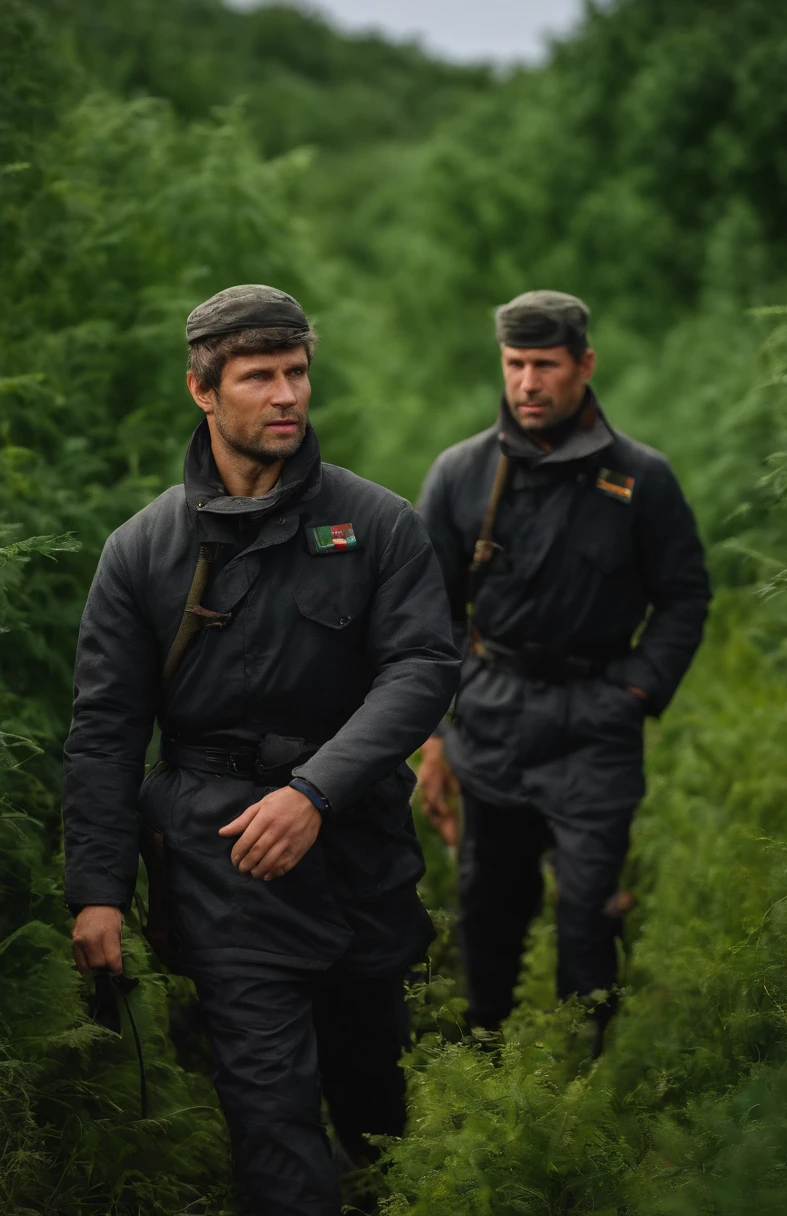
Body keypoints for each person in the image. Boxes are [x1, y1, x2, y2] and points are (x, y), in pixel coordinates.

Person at [63, 284, 460, 1216]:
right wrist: (97, 891)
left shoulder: (377, 524)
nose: (286, 395)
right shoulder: (142, 550)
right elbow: (107, 729)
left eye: (296, 373)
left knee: (377, 1109)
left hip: (354, 843)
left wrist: (314, 794)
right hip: (221, 862)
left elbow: (421, 670)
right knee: (271, 1122)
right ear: (203, 390)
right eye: (258, 377)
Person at [417, 290, 710, 1051]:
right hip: (493, 714)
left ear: (584, 365)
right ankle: (487, 1056)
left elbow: (683, 597)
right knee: (490, 907)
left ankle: (587, 1079)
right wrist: (445, 721)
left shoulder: (641, 478)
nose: (527, 384)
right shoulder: (460, 474)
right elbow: (429, 613)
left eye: (544, 365)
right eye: (514, 365)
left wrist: (639, 689)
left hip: (597, 718)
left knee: (587, 914)